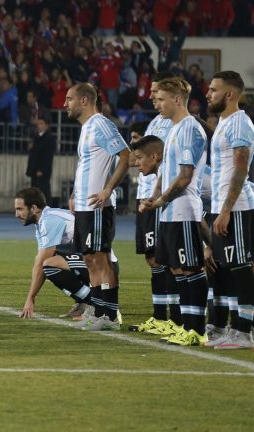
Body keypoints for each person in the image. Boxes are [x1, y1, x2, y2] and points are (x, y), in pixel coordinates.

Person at [140, 76, 210, 346]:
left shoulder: (191, 129)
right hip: (169, 211)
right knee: (179, 269)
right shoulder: (174, 129)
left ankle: (196, 329)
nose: (157, 103)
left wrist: (160, 200)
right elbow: (167, 172)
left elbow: (185, 176)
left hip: (183, 210)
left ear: (177, 100)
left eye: (161, 99)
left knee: (191, 268)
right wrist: (155, 197)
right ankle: (185, 326)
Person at [64, 83, 130, 331]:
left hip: (98, 207)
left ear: (84, 100)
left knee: (101, 259)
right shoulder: (87, 128)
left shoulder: (101, 124)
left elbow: (125, 155)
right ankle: (98, 310)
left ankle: (110, 316)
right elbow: (86, 166)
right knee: (89, 259)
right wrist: (73, 194)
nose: (64, 104)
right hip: (83, 206)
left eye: (69, 99)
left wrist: (108, 189)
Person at [204, 71, 254, 349]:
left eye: (213, 90)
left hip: (236, 207)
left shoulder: (239, 123)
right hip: (222, 207)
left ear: (230, 94)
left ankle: (244, 332)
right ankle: (229, 328)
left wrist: (226, 211)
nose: (208, 94)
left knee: (241, 268)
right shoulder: (224, 122)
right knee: (223, 268)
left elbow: (240, 168)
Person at [14, 187, 117, 322]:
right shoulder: (44, 219)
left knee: (49, 266)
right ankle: (86, 303)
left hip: (104, 266)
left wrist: (30, 298)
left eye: (20, 209)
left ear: (34, 208)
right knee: (49, 261)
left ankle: (95, 304)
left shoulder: (48, 220)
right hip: (94, 262)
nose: (16, 214)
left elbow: (41, 263)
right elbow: (39, 258)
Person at [129, 71, 180, 335]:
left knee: (166, 258)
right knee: (154, 257)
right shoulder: (156, 122)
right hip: (147, 194)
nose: (151, 97)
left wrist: (157, 196)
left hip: (160, 198)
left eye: (156, 92)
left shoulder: (178, 124)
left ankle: (171, 318)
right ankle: (162, 317)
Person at [25, 117, 55, 201]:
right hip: (34, 169)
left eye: (41, 123)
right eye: (38, 124)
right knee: (34, 192)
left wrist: (42, 169)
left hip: (42, 171)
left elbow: (47, 156)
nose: (39, 126)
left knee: (44, 191)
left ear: (46, 126)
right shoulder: (36, 137)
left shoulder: (49, 138)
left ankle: (47, 210)